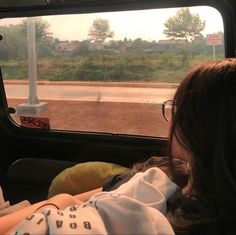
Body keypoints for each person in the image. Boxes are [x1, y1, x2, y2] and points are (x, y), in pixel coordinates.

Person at [1, 58, 236, 234]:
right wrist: (63, 201)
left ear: (192, 127)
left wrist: (59, 203)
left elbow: (75, 201)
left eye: (176, 110)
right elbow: (80, 199)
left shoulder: (164, 181)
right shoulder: (162, 169)